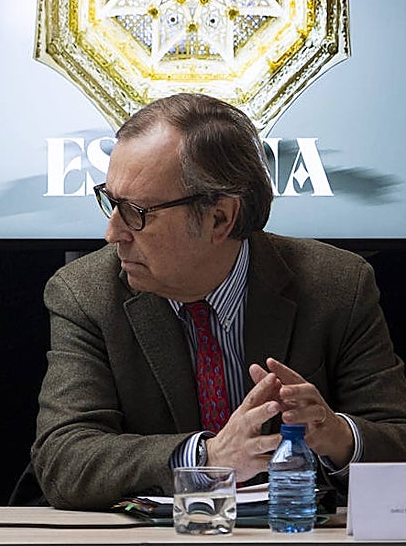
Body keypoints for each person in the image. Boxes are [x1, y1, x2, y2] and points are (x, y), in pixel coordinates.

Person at [31, 93, 406, 510]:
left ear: (220, 218)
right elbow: (63, 458)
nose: (113, 232)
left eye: (137, 212)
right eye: (111, 202)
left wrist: (337, 436)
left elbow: (397, 436)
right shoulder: (86, 293)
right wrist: (206, 459)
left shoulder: (337, 285)